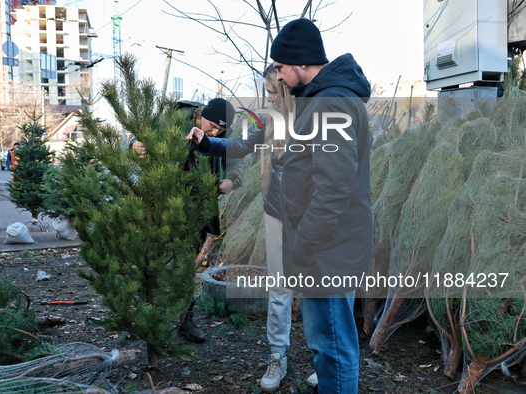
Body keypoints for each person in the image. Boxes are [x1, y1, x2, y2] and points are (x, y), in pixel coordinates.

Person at [186, 65, 317, 392]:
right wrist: (205, 141)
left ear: (286, 91)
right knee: (278, 286)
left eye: (273, 92)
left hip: (312, 217)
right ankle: (277, 356)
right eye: (266, 92)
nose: (268, 98)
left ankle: (325, 358)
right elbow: (237, 146)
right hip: (277, 213)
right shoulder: (270, 122)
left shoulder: (315, 118)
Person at [270, 18, 372, 394]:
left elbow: (333, 190)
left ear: (299, 63)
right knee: (331, 342)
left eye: (280, 67)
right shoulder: (325, 99)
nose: (278, 77)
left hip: (328, 250)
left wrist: (305, 244)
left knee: (331, 345)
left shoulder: (332, 102)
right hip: (328, 247)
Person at [131, 98, 244, 343]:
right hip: (162, 199)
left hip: (196, 207)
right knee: (155, 260)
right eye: (212, 126)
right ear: (201, 114)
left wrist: (233, 179)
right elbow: (135, 133)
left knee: (186, 263)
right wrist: (134, 145)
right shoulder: (174, 118)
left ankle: (185, 320)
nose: (214, 133)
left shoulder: (223, 131)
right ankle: (150, 318)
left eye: (220, 130)